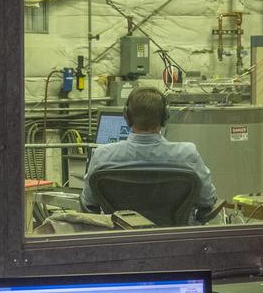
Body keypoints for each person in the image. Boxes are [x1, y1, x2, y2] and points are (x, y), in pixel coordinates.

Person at [80, 87, 218, 223]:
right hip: (175, 241)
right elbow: (208, 201)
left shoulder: (102, 156)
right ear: (165, 117)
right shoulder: (187, 154)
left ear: (126, 116)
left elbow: (89, 204)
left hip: (121, 241)